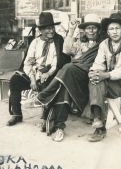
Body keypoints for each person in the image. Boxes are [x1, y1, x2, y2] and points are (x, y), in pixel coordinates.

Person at [33, 14, 103, 142]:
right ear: (84, 30)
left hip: (89, 78)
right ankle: (60, 127)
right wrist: (71, 31)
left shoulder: (103, 44)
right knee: (64, 85)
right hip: (74, 77)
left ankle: (42, 97)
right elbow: (66, 50)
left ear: (98, 30)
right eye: (88, 28)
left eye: (94, 28)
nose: (91, 31)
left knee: (68, 67)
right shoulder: (80, 43)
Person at [7, 12, 69, 126]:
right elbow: (28, 62)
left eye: (52, 28)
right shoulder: (35, 42)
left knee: (48, 84)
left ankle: (46, 118)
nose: (50, 31)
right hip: (34, 74)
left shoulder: (58, 40)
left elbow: (57, 62)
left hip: (50, 73)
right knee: (14, 81)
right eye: (47, 29)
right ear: (41, 30)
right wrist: (32, 79)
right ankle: (16, 114)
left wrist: (48, 74)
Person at [87, 12, 121, 142]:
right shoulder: (104, 44)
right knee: (95, 80)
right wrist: (94, 72)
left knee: (98, 83)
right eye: (111, 29)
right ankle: (98, 122)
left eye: (117, 28)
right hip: (107, 79)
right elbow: (98, 63)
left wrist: (105, 75)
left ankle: (98, 122)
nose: (114, 32)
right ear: (107, 32)